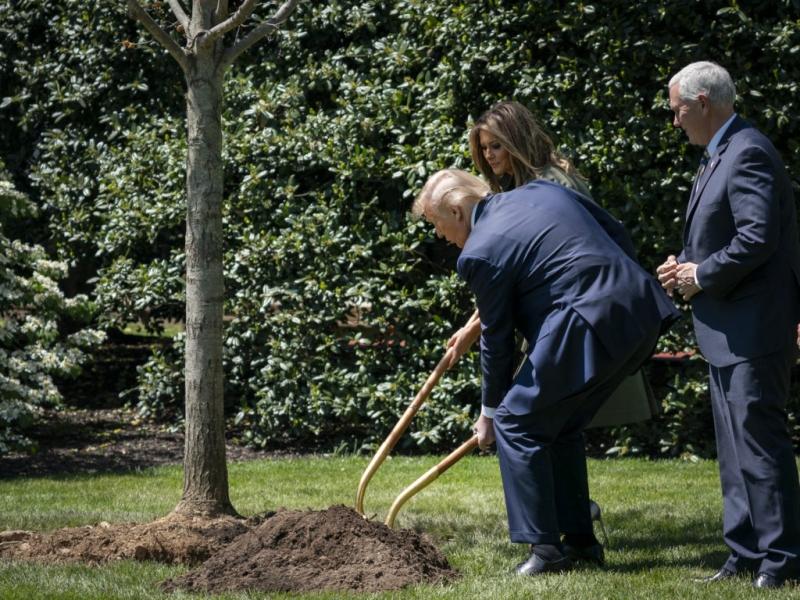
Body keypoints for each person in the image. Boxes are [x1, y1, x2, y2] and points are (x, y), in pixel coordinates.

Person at [413, 169, 679, 576]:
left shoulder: (479, 251)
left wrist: (489, 414)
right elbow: (616, 231)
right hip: (638, 312)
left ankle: (547, 552)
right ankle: (581, 542)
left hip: (585, 322)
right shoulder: (540, 191)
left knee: (516, 422)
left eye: (437, 224)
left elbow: (497, 340)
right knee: (560, 424)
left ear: (455, 210)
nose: (440, 236)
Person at [656, 61, 800, 589]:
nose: (674, 122)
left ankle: (782, 561)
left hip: (755, 327)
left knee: (760, 446)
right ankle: (744, 554)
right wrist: (687, 264)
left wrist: (702, 272)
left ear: (701, 102)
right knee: (735, 450)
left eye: (676, 111)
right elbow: (727, 235)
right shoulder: (722, 152)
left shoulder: (747, 151)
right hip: (728, 329)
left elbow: (758, 236)